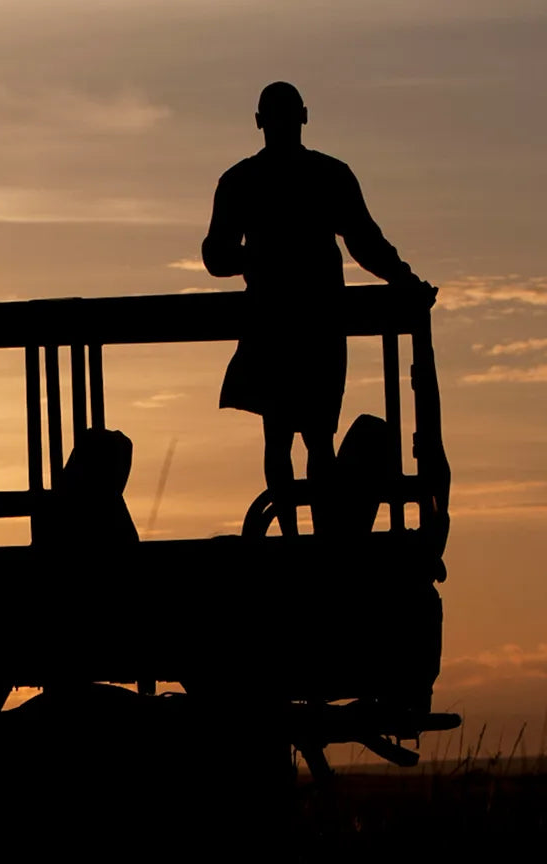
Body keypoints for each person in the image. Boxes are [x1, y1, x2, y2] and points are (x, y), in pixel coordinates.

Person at [201, 82, 423, 536]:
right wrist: (402, 279)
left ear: (261, 121)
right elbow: (365, 243)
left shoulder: (246, 181)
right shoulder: (324, 175)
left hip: (284, 320)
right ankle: (315, 541)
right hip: (307, 320)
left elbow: (216, 256)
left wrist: (401, 277)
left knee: (289, 437)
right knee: (309, 437)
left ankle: (299, 538)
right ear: (304, 116)